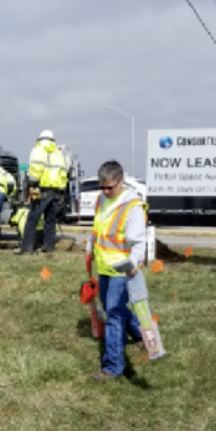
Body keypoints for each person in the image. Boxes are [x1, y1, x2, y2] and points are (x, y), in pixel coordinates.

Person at [85, 160, 147, 381]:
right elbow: (98, 227)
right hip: (104, 266)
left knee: (113, 314)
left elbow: (138, 241)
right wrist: (90, 246)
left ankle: (112, 367)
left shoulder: (132, 207)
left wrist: (133, 263)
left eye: (109, 187)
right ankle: (142, 335)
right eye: (102, 187)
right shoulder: (101, 199)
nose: (105, 191)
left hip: (123, 269)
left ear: (122, 181)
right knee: (114, 307)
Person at [16, 129, 68, 254]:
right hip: (55, 192)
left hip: (41, 190)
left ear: (39, 139)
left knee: (32, 219)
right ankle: (48, 247)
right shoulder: (58, 154)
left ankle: (27, 248)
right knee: (50, 221)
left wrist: (31, 185)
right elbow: (63, 175)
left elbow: (36, 169)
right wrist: (61, 191)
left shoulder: (39, 150)